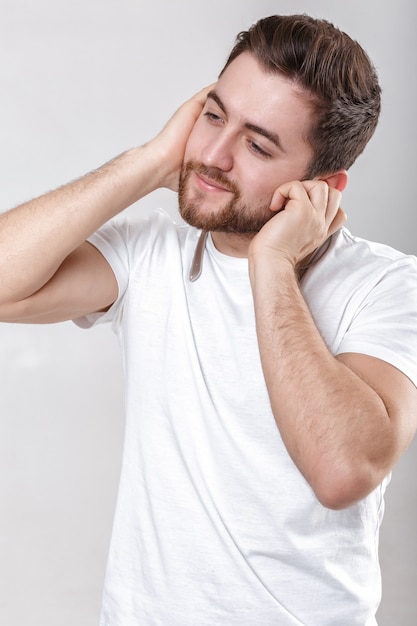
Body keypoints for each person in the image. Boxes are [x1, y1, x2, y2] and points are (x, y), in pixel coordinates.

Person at [1, 13, 416, 626]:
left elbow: (344, 469)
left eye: (257, 143)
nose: (213, 155)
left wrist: (272, 264)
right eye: (214, 115)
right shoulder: (150, 257)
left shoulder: (387, 285)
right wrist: (151, 160)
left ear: (322, 185)